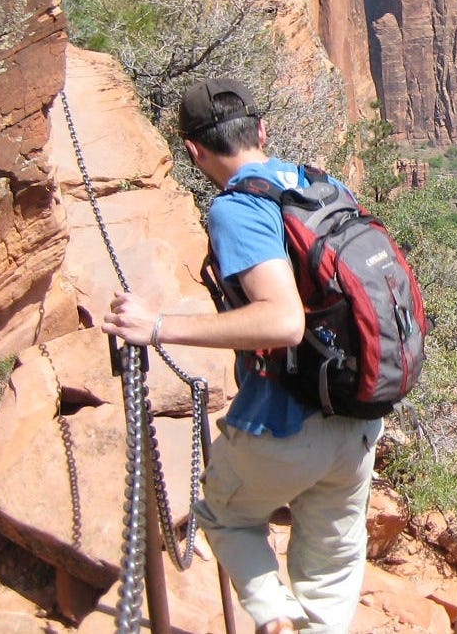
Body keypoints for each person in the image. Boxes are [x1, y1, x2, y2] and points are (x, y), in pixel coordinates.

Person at [102, 78, 381, 634]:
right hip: (358, 421)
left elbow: (282, 320)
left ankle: (274, 620)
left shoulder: (238, 208)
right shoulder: (322, 185)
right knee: (331, 578)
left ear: (193, 152)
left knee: (223, 517)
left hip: (285, 426)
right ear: (262, 131)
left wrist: (156, 327)